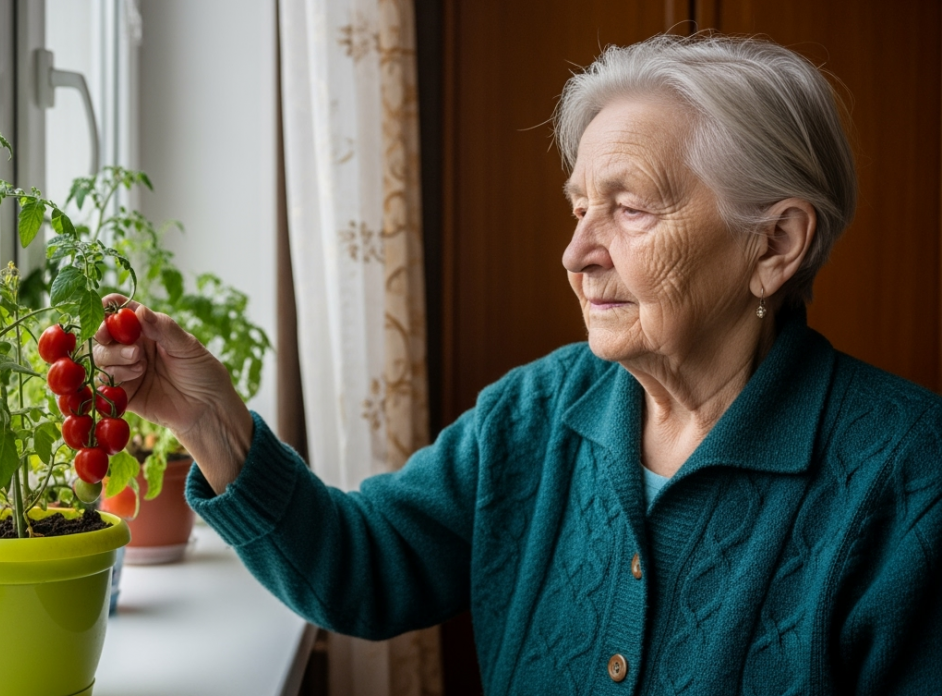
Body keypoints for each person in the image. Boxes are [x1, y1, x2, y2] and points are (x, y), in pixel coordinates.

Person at [94, 35, 942, 694]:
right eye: (579, 209)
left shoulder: (908, 476)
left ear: (776, 244)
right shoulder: (537, 410)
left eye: (630, 209)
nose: (577, 255)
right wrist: (211, 422)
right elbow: (364, 569)